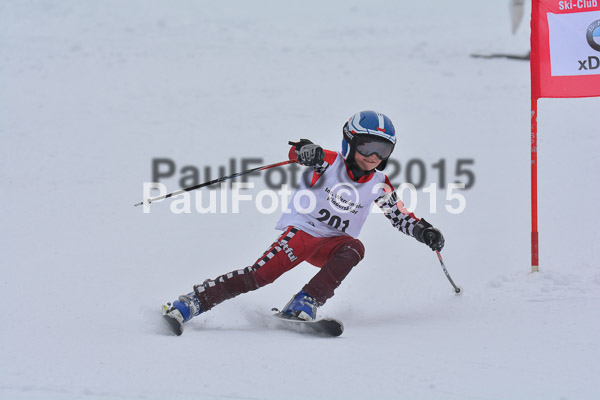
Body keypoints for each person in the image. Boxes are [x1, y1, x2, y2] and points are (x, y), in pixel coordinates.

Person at [163, 110, 445, 334]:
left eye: (382, 151)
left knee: (355, 247)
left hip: (333, 246)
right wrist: (306, 150)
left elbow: (399, 216)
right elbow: (302, 153)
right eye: (368, 147)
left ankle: (306, 301)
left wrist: (423, 231)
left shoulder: (379, 183)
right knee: (259, 276)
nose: (373, 157)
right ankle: (192, 302)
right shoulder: (331, 163)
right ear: (350, 142)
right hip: (303, 235)